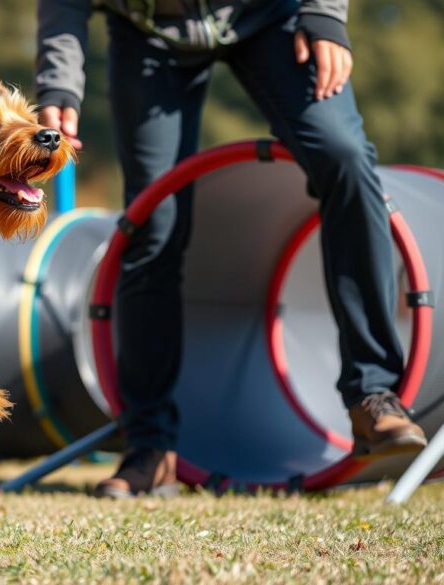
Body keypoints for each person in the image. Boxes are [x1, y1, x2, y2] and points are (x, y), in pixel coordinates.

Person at [35, 0, 428, 498]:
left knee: (344, 157)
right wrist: (59, 82)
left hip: (270, 14)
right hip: (150, 30)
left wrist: (324, 15)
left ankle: (372, 394)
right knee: (153, 221)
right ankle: (150, 446)